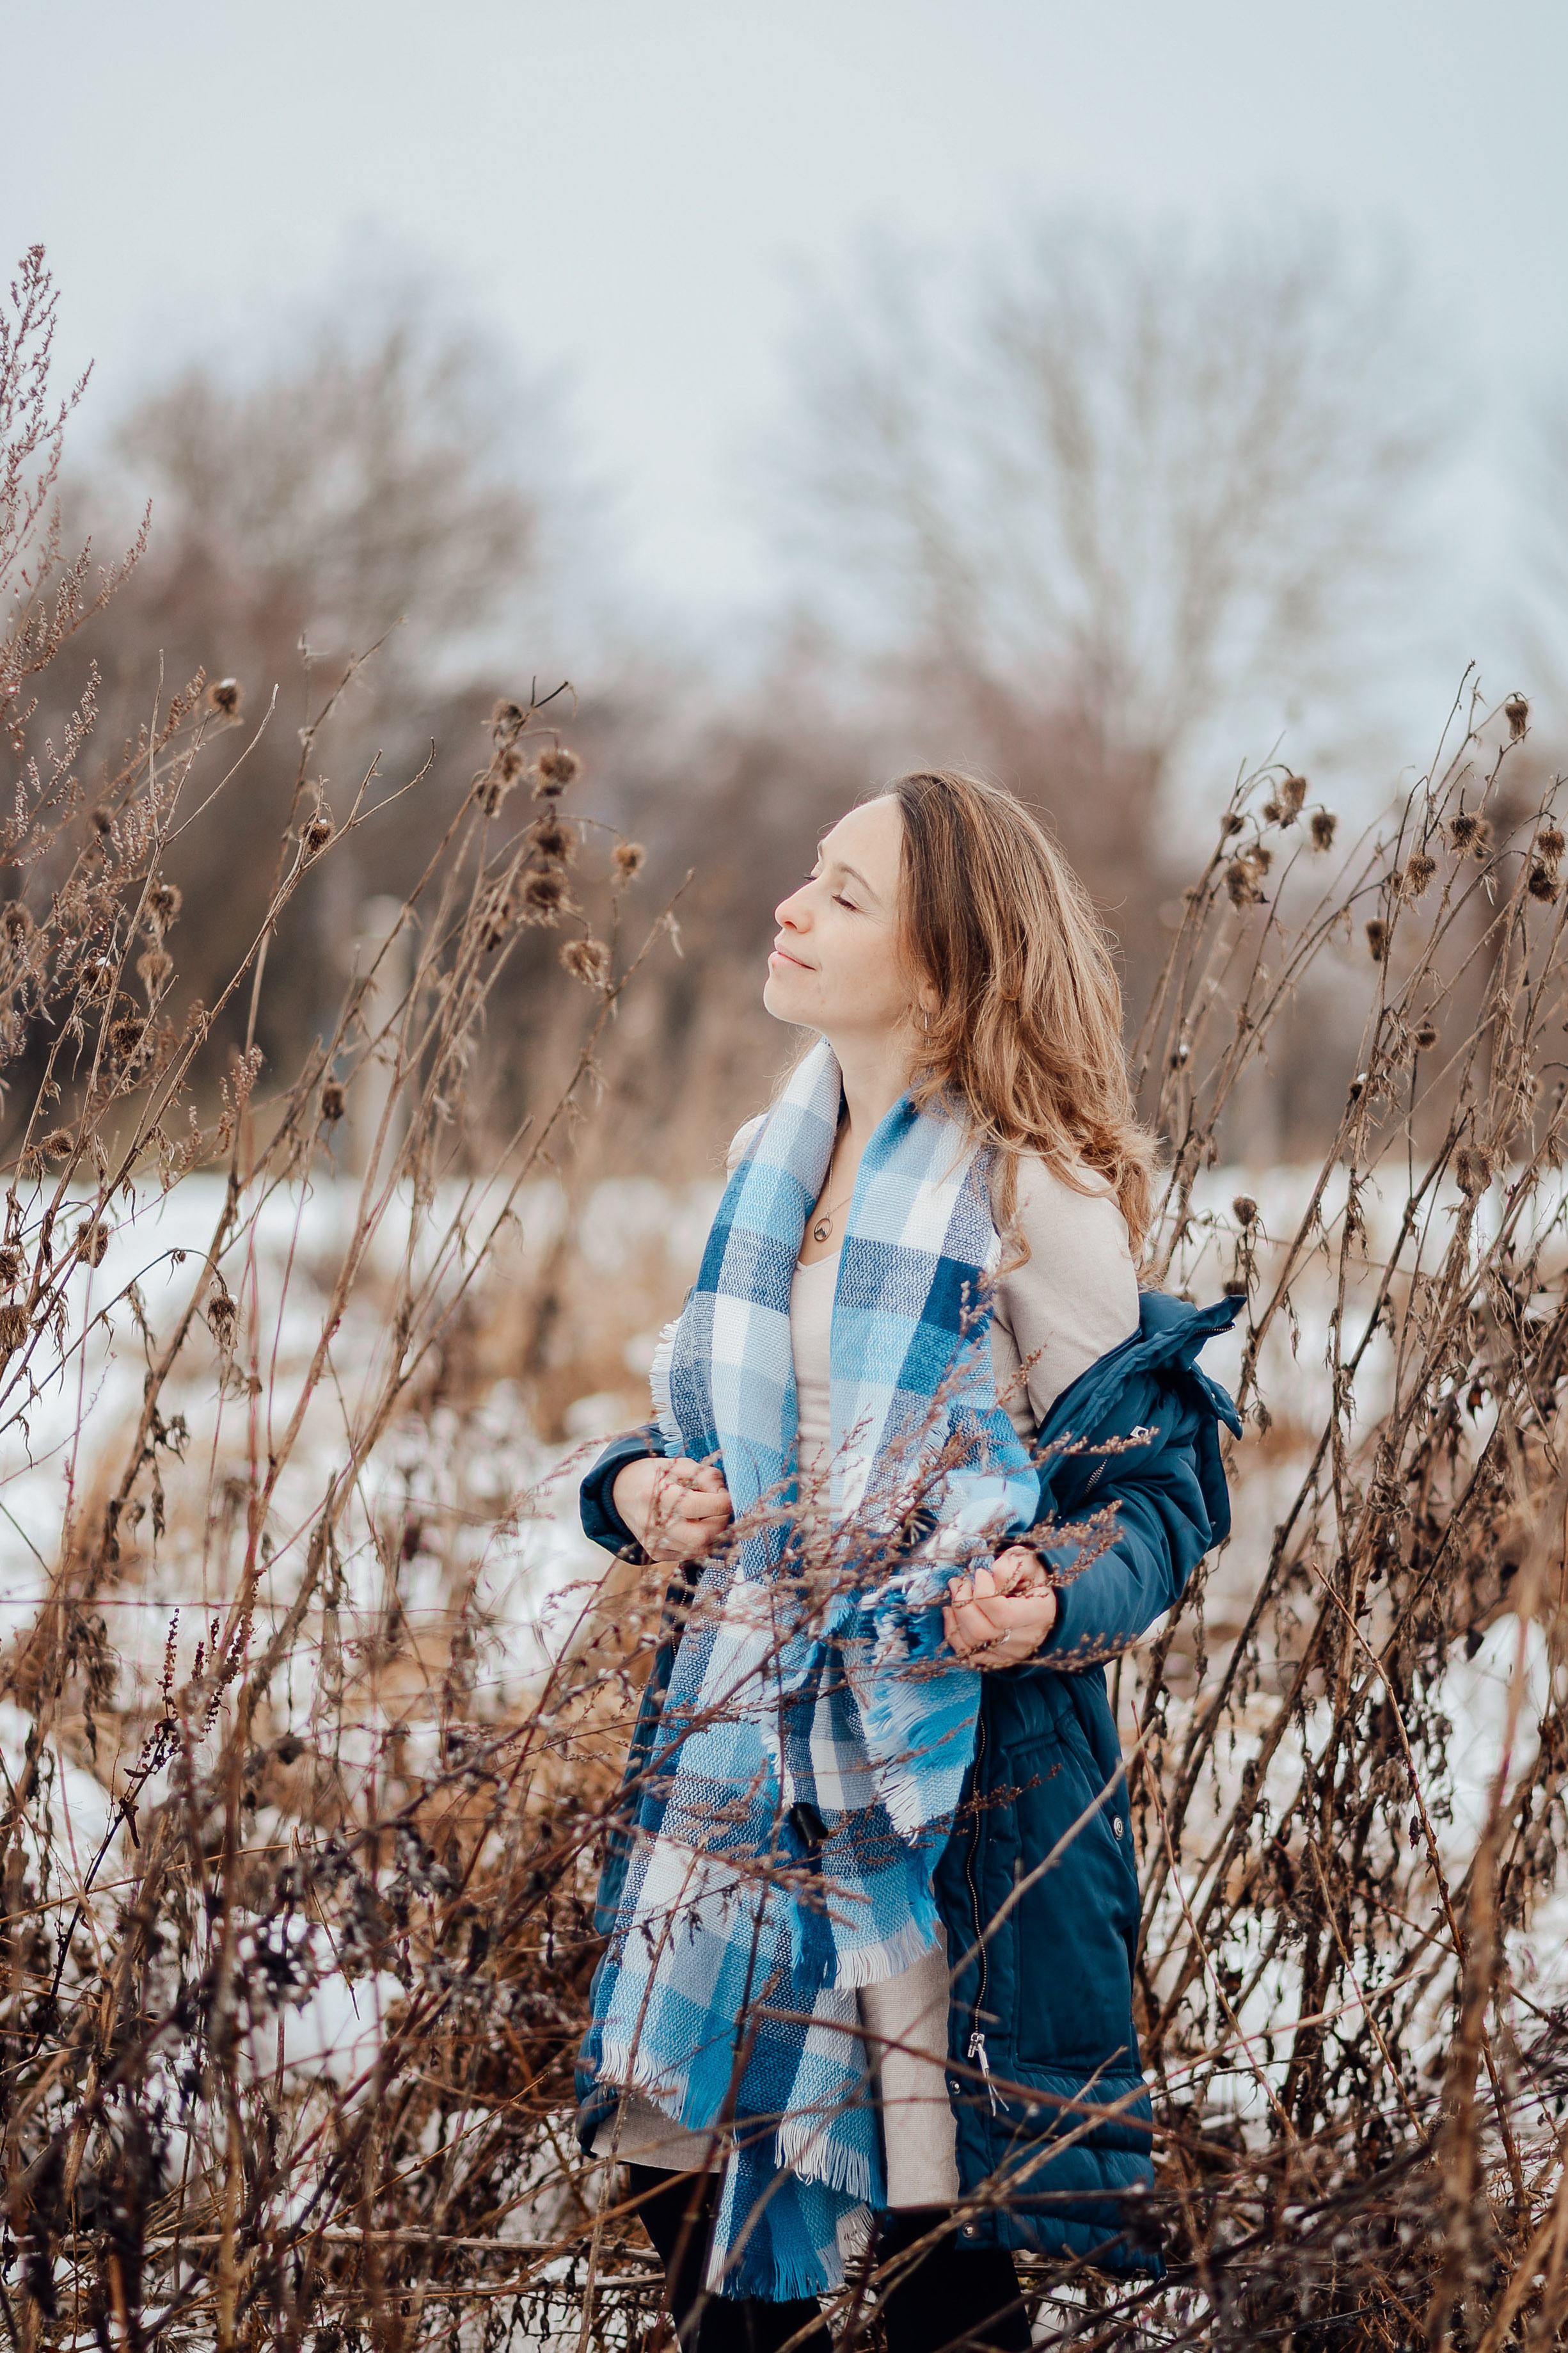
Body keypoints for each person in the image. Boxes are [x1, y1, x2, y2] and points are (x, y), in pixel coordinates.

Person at [574, 772, 1240, 2353]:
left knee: (939, 2241)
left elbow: (1149, 1500)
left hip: (938, 1777)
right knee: (696, 2204)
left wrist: (1043, 1599)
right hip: (729, 1751)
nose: (790, 908)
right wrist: (639, 1494)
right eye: (806, 874)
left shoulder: (1034, 1187)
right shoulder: (768, 1155)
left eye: (845, 893)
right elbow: (699, 1427)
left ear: (945, 967)